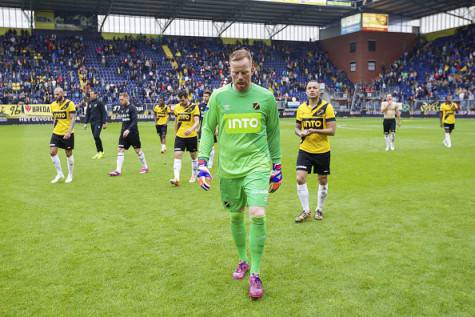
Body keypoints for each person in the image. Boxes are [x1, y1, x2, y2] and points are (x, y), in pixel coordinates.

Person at [197, 48, 282, 300]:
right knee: (236, 215)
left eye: (244, 72)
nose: (240, 77)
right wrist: (202, 162)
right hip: (229, 168)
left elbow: (274, 134)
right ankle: (243, 260)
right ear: (229, 72)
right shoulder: (218, 97)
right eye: (236, 73)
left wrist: (276, 166)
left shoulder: (266, 98)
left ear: (252, 69)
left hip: (257, 165)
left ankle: (255, 272)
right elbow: (206, 129)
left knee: (257, 214)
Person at [294, 81, 336, 223]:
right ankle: (306, 210)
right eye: (309, 88)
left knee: (322, 180)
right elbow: (296, 128)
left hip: (322, 151)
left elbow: (332, 130)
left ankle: (319, 208)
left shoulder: (327, 107)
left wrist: (314, 130)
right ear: (306, 91)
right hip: (305, 149)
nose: (312, 90)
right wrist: (300, 133)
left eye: (314, 88)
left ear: (319, 91)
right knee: (299, 178)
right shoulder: (301, 108)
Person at [109, 92, 149, 176]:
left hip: (133, 133)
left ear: (127, 98)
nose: (120, 101)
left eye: (122, 99)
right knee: (120, 149)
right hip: (123, 133)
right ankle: (118, 171)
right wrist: (124, 130)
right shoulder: (121, 108)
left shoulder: (132, 108)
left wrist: (128, 130)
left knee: (138, 151)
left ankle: (145, 167)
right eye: (120, 99)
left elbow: (135, 121)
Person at [169, 90, 200, 186]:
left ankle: (194, 175)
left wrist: (191, 129)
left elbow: (197, 121)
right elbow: (177, 122)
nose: (181, 102)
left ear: (187, 98)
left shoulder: (194, 107)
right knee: (177, 154)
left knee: (193, 156)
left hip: (191, 136)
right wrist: (175, 134)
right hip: (180, 135)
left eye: (183, 100)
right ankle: (176, 178)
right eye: (180, 100)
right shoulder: (177, 107)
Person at [49, 87, 76, 184]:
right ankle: (60, 174)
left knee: (68, 154)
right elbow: (55, 118)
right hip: (56, 132)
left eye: (57, 94)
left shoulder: (70, 104)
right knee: (52, 152)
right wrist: (53, 128)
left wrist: (69, 132)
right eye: (54, 94)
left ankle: (70, 174)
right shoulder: (52, 105)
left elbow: (73, 119)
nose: (55, 96)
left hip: (67, 133)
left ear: (62, 93)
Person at [83, 90, 108, 159]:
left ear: (95, 95)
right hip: (92, 123)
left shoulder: (100, 102)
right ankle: (98, 152)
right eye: (90, 94)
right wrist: (85, 123)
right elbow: (87, 113)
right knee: (95, 137)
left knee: (96, 136)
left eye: (92, 94)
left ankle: (101, 152)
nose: (90, 95)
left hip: (98, 122)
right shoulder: (89, 103)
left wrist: (104, 122)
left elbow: (104, 113)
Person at [198, 89, 216, 168]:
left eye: (206, 96)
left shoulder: (212, 105)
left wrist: (216, 128)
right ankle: (203, 161)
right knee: (202, 145)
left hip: (211, 128)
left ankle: (210, 161)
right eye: (204, 96)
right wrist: (197, 128)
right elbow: (198, 118)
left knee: (210, 145)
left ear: (210, 97)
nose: (205, 98)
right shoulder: (200, 106)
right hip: (202, 129)